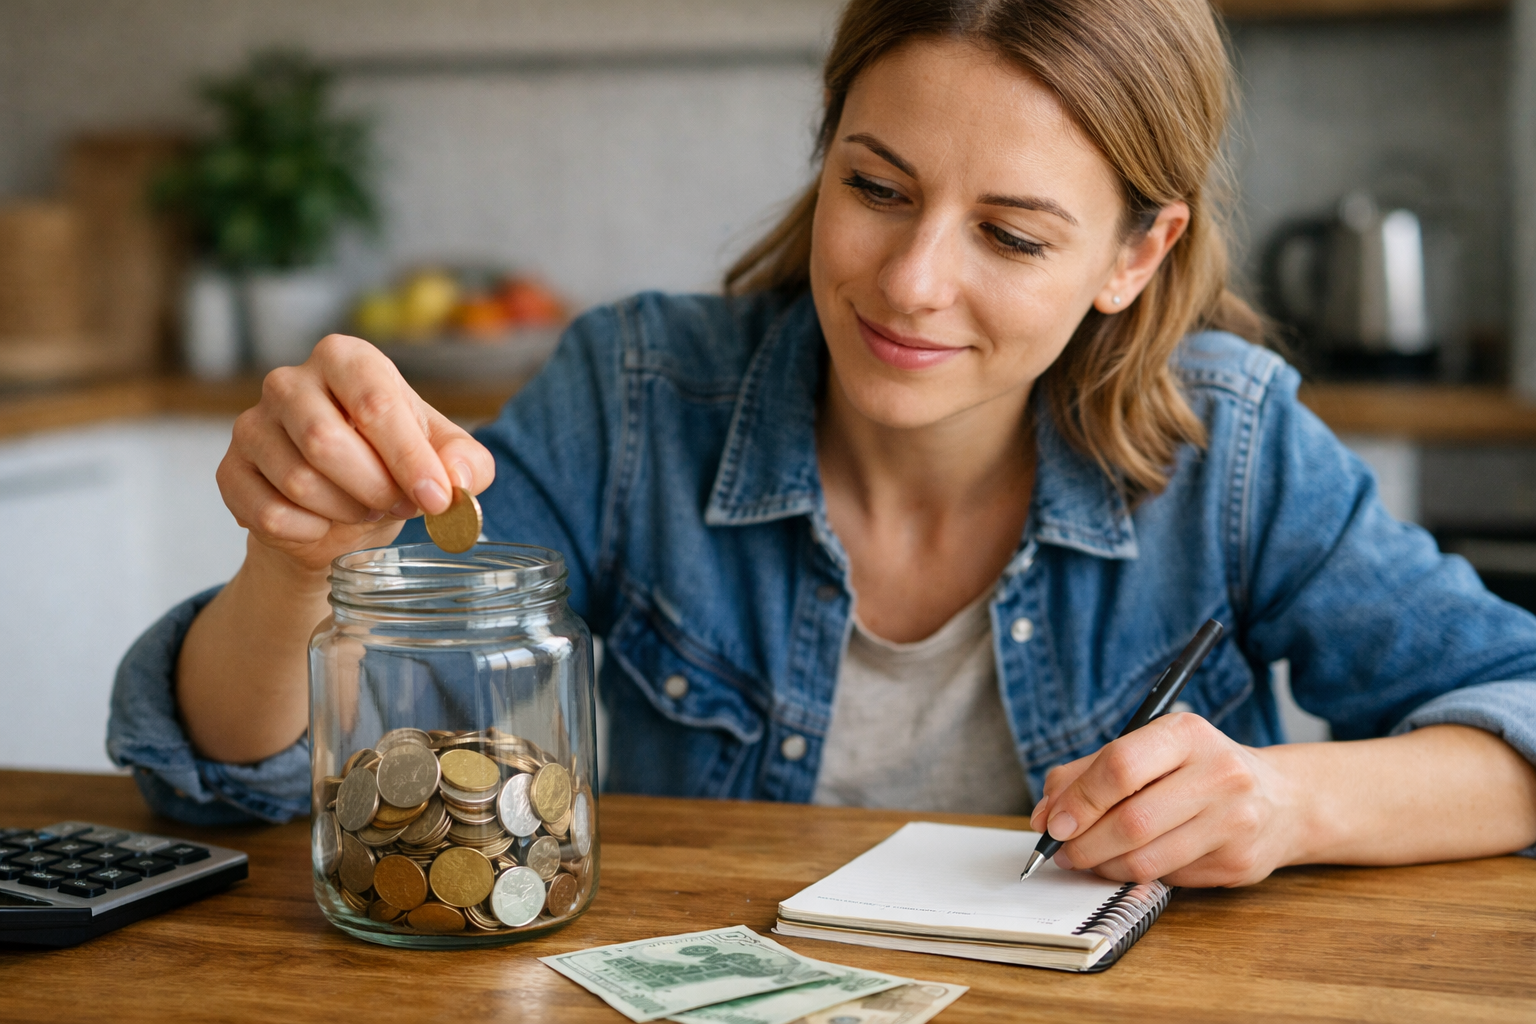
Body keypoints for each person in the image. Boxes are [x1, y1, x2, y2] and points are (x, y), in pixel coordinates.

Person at [109, 0, 1536, 887]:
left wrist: (1286, 800)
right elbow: (231, 776)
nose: (911, 283)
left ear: (1136, 251)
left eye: (1013, 234)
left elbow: (1517, 708)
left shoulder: (1231, 446)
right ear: (828, 147)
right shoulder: (635, 397)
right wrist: (302, 564)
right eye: (877, 185)